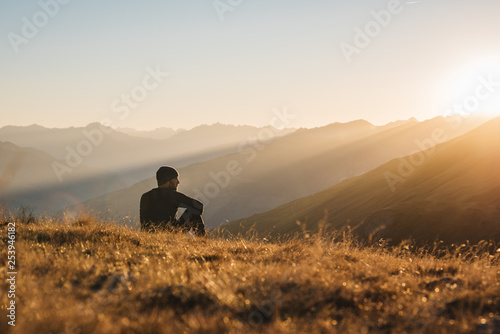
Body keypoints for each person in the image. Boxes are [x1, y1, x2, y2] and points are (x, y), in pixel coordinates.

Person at [140, 166, 206, 236]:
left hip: (149, 237)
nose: (178, 182)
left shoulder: (145, 196)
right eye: (175, 179)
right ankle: (203, 242)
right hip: (171, 235)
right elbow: (198, 206)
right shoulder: (172, 195)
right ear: (167, 181)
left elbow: (143, 223)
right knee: (193, 212)